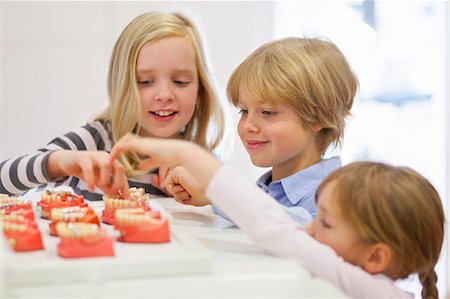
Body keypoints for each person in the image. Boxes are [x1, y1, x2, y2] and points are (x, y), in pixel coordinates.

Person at [109, 134, 445, 299]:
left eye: (325, 222)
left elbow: (272, 224)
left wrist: (187, 154)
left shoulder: (371, 291)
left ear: (376, 257)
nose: (309, 227)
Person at [0, 11, 225, 200]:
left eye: (180, 82)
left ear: (200, 93)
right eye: (145, 82)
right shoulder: (95, 140)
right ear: (122, 90)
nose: (164, 95)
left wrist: (206, 193)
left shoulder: (204, 161)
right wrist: (58, 163)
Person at [169, 37, 357, 224]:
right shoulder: (265, 190)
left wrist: (218, 190)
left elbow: (299, 232)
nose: (248, 125)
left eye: (267, 112)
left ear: (319, 117)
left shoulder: (339, 198)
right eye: (244, 111)